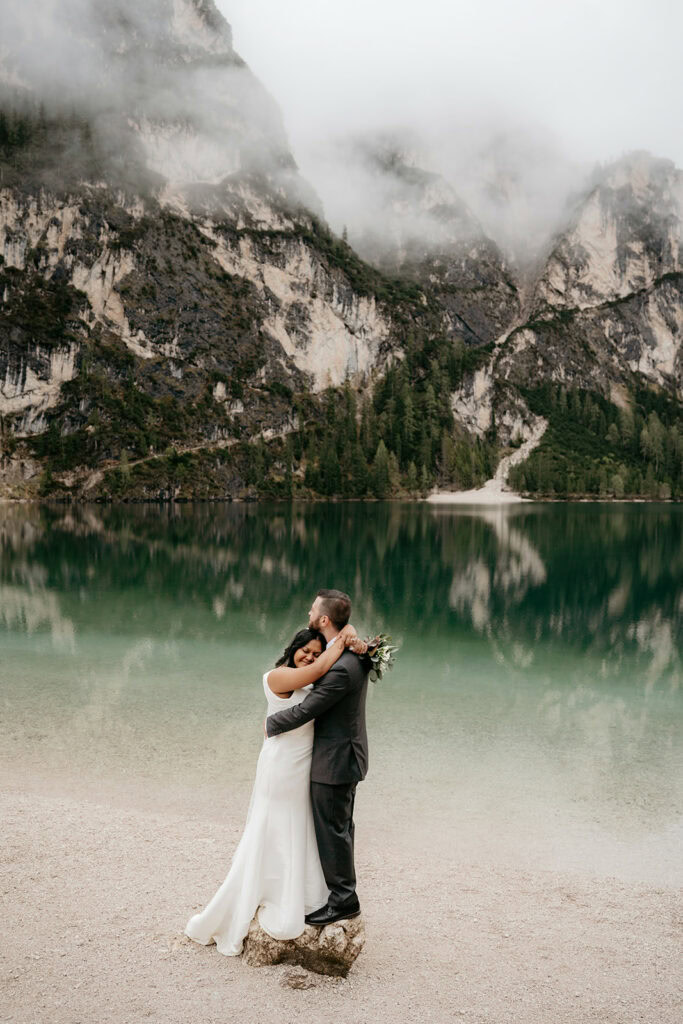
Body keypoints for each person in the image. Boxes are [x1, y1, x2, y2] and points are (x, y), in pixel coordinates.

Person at [184, 621, 365, 955]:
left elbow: (325, 672)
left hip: (304, 764)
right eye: (304, 651)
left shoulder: (312, 674)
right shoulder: (277, 676)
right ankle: (267, 892)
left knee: (299, 824)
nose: (309, 657)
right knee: (276, 824)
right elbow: (325, 666)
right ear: (292, 648)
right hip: (282, 764)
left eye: (314, 652)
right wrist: (343, 640)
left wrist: (348, 631)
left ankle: (300, 890)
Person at [265, 589, 371, 926]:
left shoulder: (341, 667)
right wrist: (348, 636)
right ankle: (339, 893)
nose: (308, 612)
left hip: (335, 760)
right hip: (342, 756)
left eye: (313, 609)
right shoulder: (347, 653)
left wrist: (271, 723)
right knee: (339, 828)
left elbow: (309, 709)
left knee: (333, 831)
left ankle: (343, 900)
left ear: (324, 619)